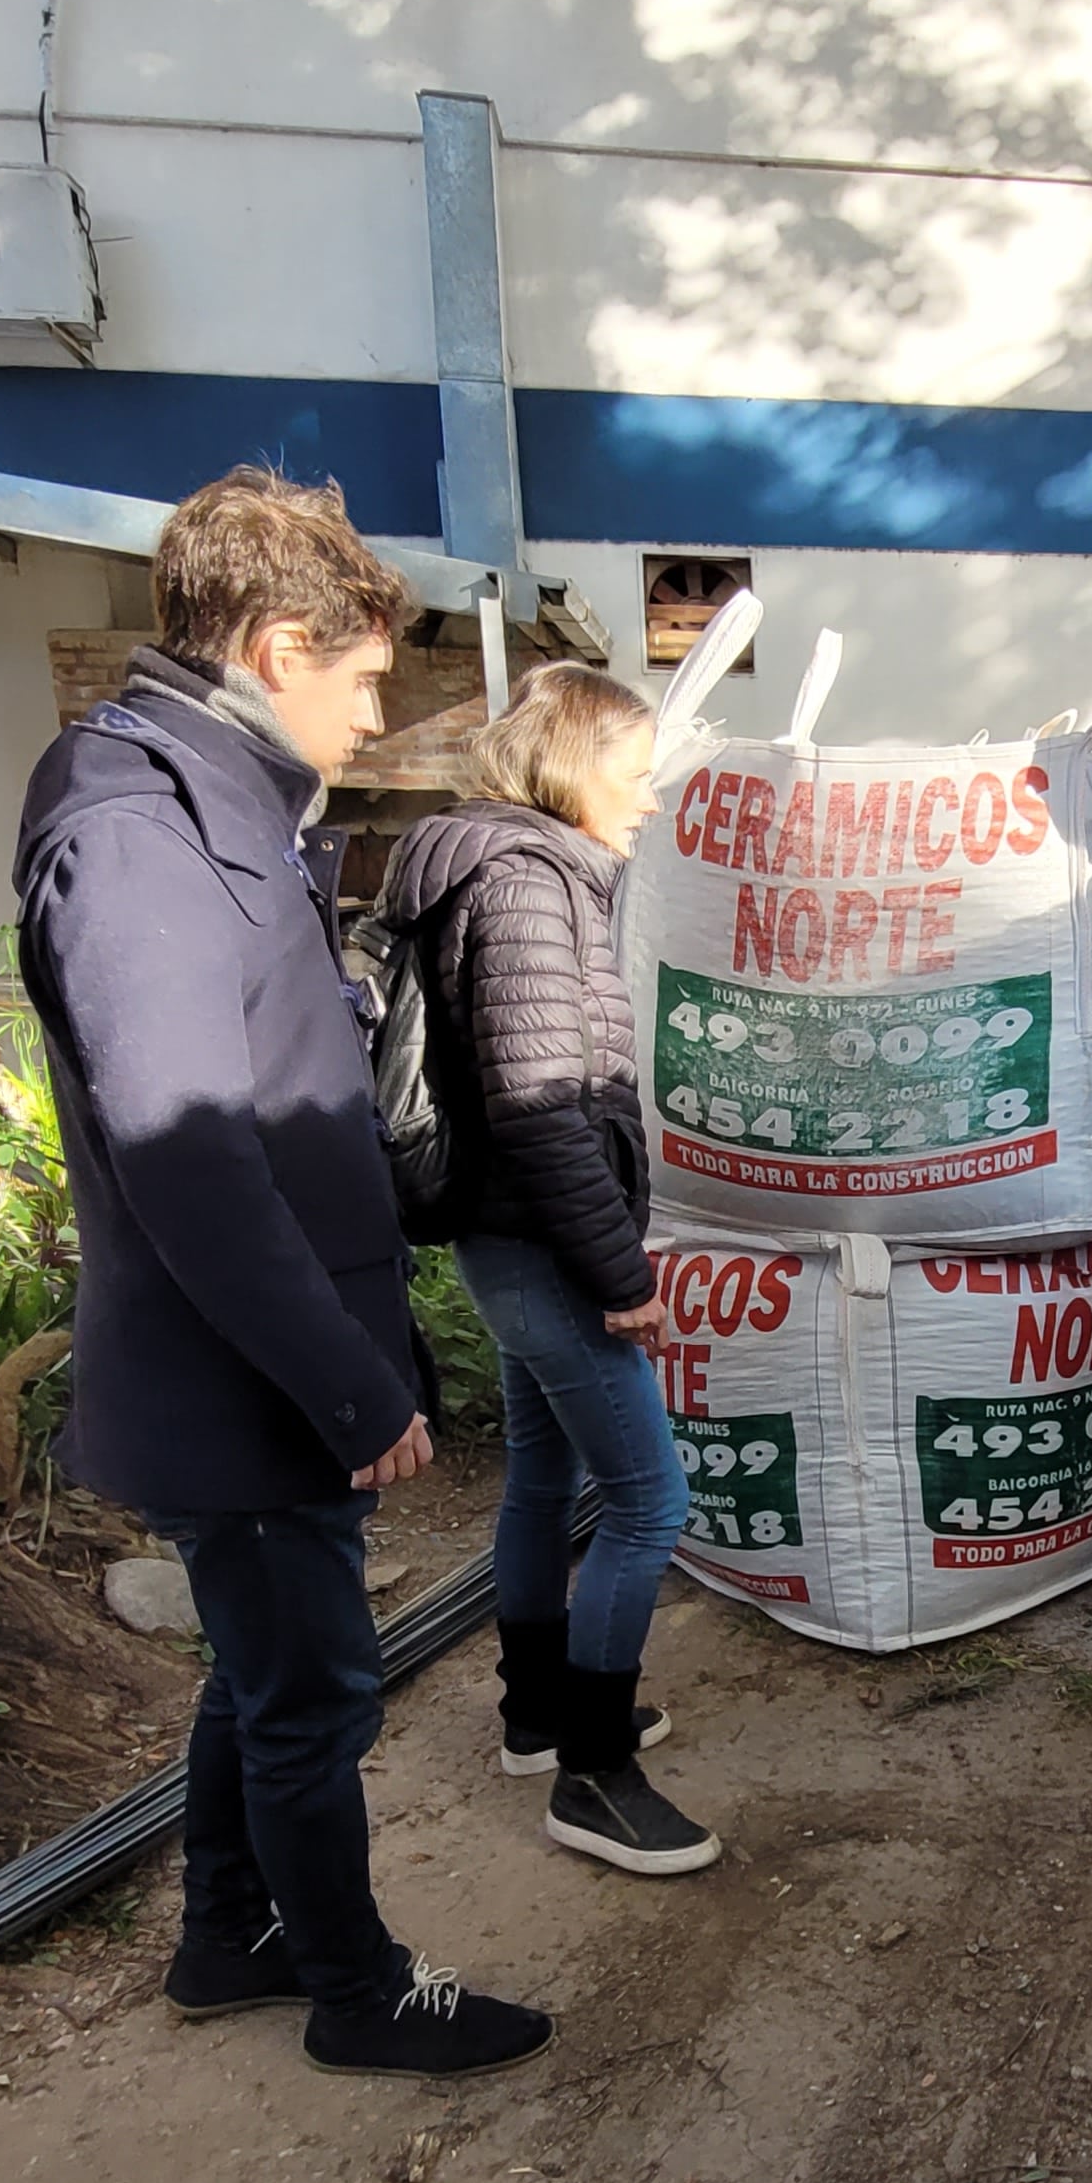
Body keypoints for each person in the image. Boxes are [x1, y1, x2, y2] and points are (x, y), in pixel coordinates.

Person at [13, 469, 552, 2079]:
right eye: (367, 672)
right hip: (241, 1378)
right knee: (314, 1694)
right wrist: (345, 1380)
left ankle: (219, 1935)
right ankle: (353, 1989)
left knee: (260, 1681)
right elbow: (186, 1151)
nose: (376, 710)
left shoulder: (207, 799)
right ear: (277, 639)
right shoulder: (133, 828)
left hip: (258, 1366)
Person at [385, 666, 720, 1877]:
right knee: (649, 1502)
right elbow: (539, 1107)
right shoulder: (527, 882)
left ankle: (538, 1711)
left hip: (505, 1236)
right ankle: (594, 1776)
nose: (647, 796)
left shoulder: (484, 862)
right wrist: (621, 1272)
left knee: (541, 1470)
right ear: (574, 764)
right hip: (543, 1243)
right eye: (634, 771)